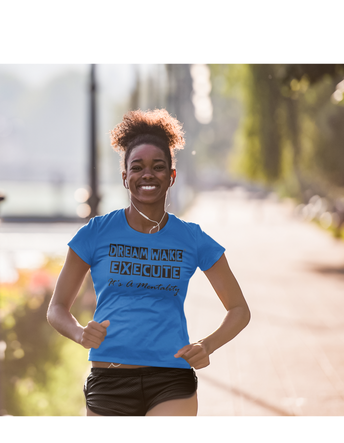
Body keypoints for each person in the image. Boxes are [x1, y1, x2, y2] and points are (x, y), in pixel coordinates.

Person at [47, 109, 250, 416]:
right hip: (109, 378)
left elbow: (239, 310)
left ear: (171, 176)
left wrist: (207, 345)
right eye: (137, 167)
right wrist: (79, 333)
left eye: (158, 167)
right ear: (125, 176)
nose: (147, 174)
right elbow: (56, 309)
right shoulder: (95, 233)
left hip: (171, 378)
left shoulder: (192, 238)